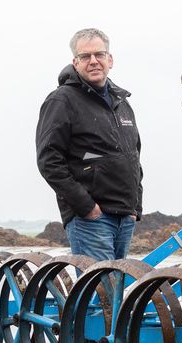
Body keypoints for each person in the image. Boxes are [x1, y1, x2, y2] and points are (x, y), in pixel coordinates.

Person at [36, 28, 142, 261]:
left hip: (124, 216)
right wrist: (86, 207)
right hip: (91, 218)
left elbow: (133, 156)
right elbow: (49, 161)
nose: (93, 61)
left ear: (110, 60)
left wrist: (136, 208)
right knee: (100, 293)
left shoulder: (122, 103)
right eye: (85, 57)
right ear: (75, 62)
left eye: (99, 55)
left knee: (115, 291)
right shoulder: (62, 100)